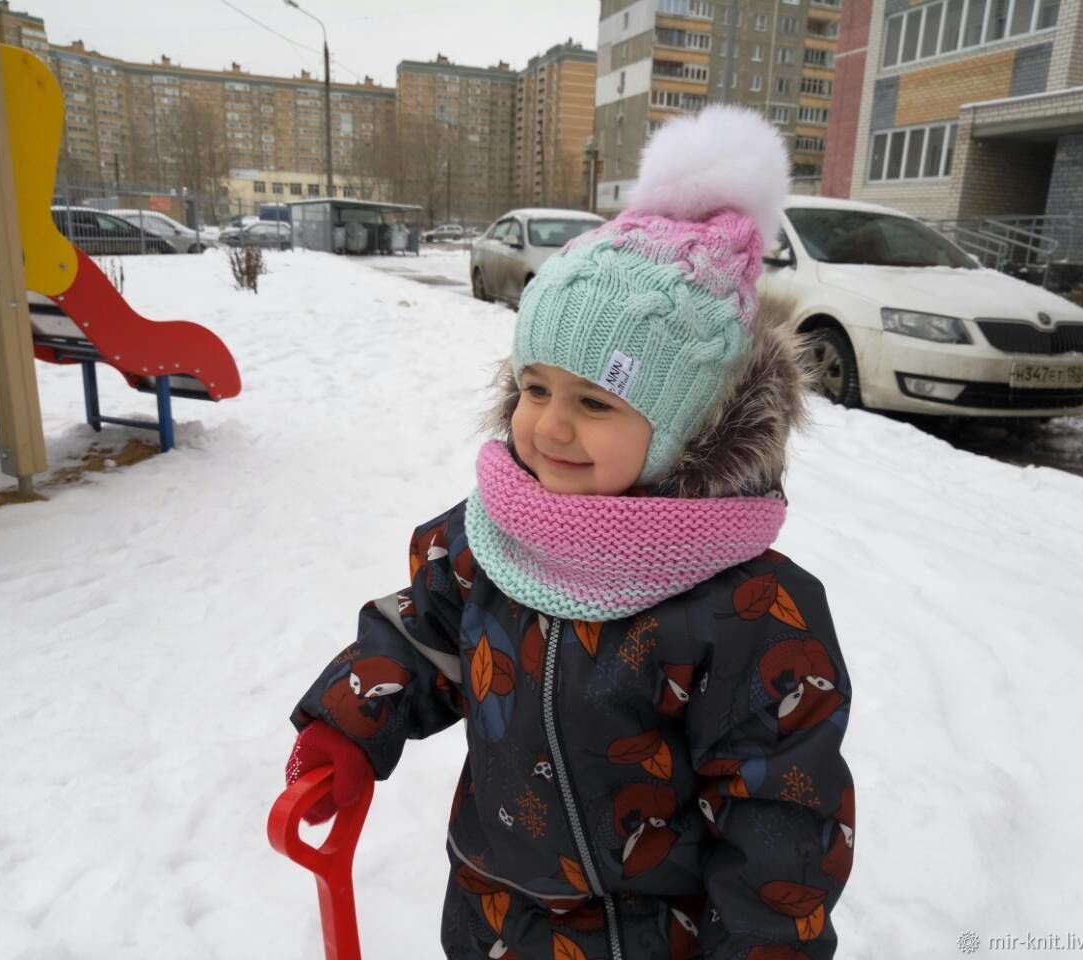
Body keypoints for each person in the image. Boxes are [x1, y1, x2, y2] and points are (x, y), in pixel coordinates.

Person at [285, 105, 855, 959]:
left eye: (594, 403)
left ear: (688, 425)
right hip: (492, 918)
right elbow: (425, 634)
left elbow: (781, 817)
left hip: (649, 939)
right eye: (536, 388)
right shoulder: (492, 534)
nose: (549, 428)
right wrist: (346, 726)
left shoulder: (749, 607)